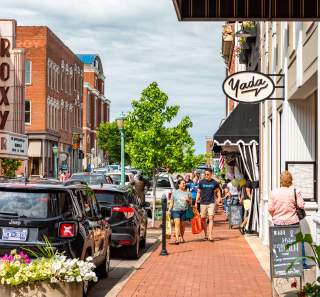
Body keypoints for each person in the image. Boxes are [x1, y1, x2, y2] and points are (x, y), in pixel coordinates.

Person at [268, 171, 308, 268]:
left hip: (278, 222)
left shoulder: (274, 192)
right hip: (293, 221)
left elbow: (270, 208)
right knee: (298, 241)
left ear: (281, 180)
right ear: (291, 181)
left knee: (279, 242)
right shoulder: (295, 191)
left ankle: (280, 261)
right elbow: (301, 205)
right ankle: (302, 263)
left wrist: (276, 215)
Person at [196, 168, 221, 242]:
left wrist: (219, 197)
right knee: (203, 219)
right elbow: (199, 191)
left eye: (208, 174)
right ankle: (206, 234)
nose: (206, 176)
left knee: (211, 218)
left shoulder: (215, 183)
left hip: (211, 202)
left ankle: (210, 235)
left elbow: (218, 190)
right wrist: (196, 200)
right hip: (203, 203)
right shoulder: (201, 182)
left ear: (211, 175)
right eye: (205, 174)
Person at [169, 179, 191, 244]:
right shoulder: (175, 192)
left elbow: (190, 203)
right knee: (177, 223)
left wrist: (188, 201)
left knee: (182, 225)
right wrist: (169, 210)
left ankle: (182, 237)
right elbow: (171, 202)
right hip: (175, 210)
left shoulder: (188, 192)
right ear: (179, 185)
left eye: (185, 183)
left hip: (184, 210)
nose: (184, 184)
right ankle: (177, 239)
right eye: (182, 183)